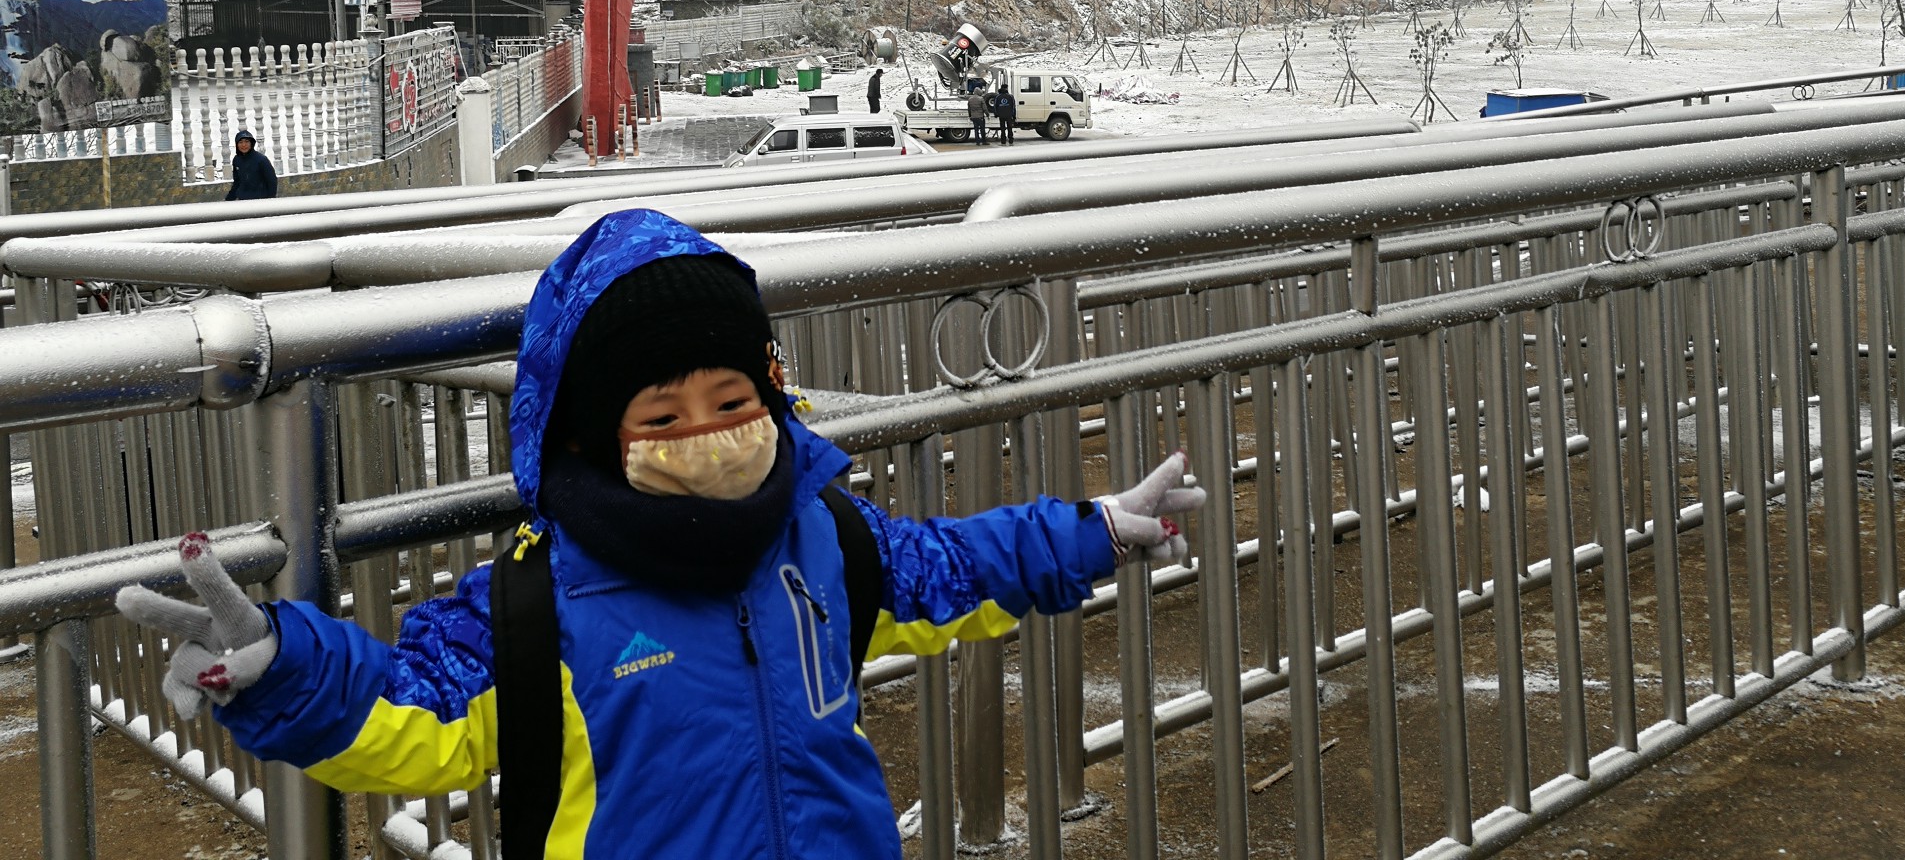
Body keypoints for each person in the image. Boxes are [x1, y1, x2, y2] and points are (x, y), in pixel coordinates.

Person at [115, 209, 1201, 860]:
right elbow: (416, 709)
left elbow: (949, 572)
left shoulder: (822, 537)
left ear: (771, 397)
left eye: (731, 402)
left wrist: (1097, 529)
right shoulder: (542, 603)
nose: (709, 437)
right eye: (661, 417)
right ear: (596, 440)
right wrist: (279, 672)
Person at [224, 129, 278, 201]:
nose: (244, 145)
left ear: (251, 143)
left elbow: (272, 181)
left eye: (247, 142)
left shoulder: (261, 160)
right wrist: (229, 199)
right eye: (240, 142)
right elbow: (237, 182)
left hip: (261, 200)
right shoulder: (237, 160)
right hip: (243, 200)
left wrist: (270, 200)